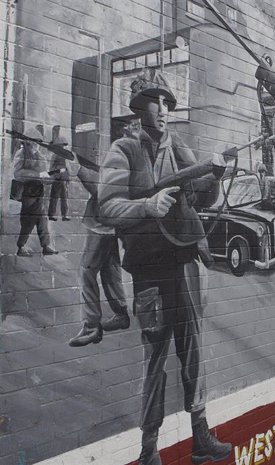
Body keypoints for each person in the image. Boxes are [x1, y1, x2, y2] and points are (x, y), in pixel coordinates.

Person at [98, 68, 231, 465]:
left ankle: (200, 438)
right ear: (139, 108)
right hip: (150, 268)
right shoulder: (123, 150)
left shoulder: (180, 149)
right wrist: (146, 206)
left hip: (184, 260)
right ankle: (149, 449)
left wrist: (217, 175)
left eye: (166, 103)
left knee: (193, 350)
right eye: (155, 102)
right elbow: (107, 207)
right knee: (155, 356)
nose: (162, 110)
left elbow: (202, 199)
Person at [67, 132, 132, 347]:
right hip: (108, 227)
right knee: (110, 272)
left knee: (87, 273)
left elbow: (102, 191)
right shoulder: (126, 158)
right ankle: (121, 314)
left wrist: (79, 171)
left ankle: (92, 326)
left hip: (101, 226)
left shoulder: (121, 161)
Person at [12, 126, 59, 256]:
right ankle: (22, 247)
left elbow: (44, 174)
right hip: (26, 192)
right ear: (27, 142)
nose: (35, 145)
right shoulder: (21, 154)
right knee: (29, 220)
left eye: (37, 142)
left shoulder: (40, 156)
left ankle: (45, 246)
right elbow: (17, 174)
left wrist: (50, 178)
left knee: (42, 219)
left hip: (39, 191)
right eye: (32, 142)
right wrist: (37, 175)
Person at [47, 135, 71, 221]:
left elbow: (68, 167)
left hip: (64, 179)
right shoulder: (54, 155)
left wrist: (68, 176)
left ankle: (65, 215)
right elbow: (51, 167)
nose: (62, 147)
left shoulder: (65, 155)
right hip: (57, 178)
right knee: (54, 197)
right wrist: (56, 172)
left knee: (64, 198)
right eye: (61, 146)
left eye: (63, 146)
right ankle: (52, 214)